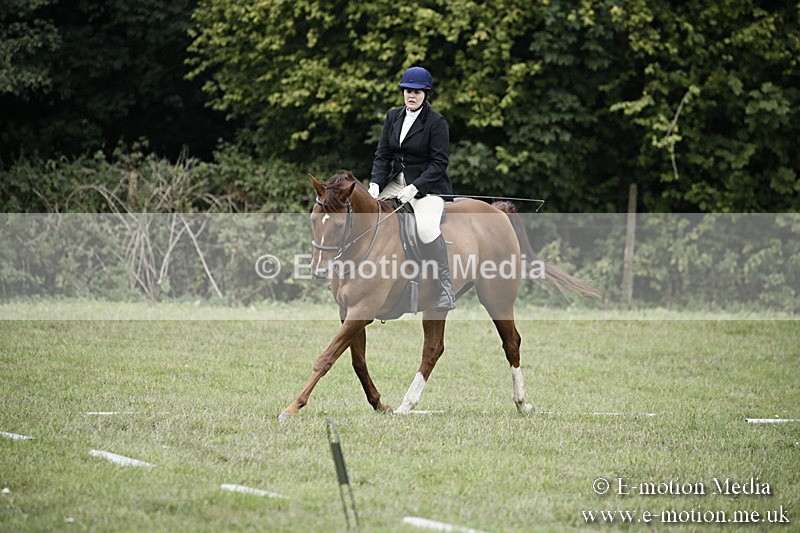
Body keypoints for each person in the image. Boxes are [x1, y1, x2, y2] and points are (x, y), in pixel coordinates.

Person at [369, 66, 456, 311]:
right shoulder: (393, 116)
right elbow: (382, 154)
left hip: (429, 186)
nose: (412, 95)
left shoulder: (437, 122)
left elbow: (439, 163)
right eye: (408, 91)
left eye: (417, 92)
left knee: (427, 228)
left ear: (426, 94)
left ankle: (445, 286)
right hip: (397, 181)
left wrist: (416, 187)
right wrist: (376, 182)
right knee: (367, 216)